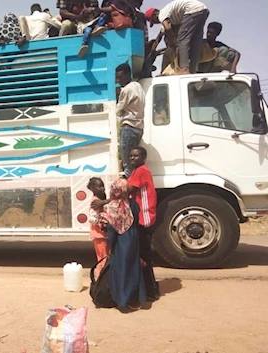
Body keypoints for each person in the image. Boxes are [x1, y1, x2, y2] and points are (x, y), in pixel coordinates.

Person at [104, 178, 146, 310]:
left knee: (121, 269)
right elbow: (137, 221)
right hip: (133, 238)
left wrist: (111, 244)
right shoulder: (133, 204)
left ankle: (122, 300)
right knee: (133, 268)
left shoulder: (112, 207)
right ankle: (136, 299)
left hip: (121, 242)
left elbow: (112, 230)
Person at [127, 147, 160, 301]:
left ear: (144, 157)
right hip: (141, 218)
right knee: (142, 255)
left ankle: (151, 290)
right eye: (131, 156)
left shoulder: (141, 171)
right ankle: (147, 287)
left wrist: (106, 201)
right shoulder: (138, 171)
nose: (133, 158)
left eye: (136, 156)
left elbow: (127, 190)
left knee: (144, 256)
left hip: (144, 219)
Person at [146, 0, 209, 75]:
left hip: (192, 11)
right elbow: (160, 35)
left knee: (182, 40)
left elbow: (168, 28)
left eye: (154, 21)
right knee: (196, 42)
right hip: (203, 10)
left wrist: (172, 41)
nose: (157, 23)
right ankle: (193, 69)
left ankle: (184, 69)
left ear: (155, 14)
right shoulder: (172, 16)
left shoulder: (162, 14)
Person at [115, 63, 144, 178]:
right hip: (138, 128)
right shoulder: (138, 86)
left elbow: (118, 110)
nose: (119, 80)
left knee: (128, 165)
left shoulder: (126, 90)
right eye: (117, 77)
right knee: (134, 164)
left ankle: (129, 192)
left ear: (128, 74)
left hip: (128, 129)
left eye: (121, 77)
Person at [87, 177, 108, 280]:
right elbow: (91, 217)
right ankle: (100, 280)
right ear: (92, 188)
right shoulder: (95, 202)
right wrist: (102, 222)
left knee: (105, 258)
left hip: (102, 235)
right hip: (99, 235)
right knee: (102, 259)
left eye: (103, 186)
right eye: (99, 186)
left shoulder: (100, 200)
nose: (102, 188)